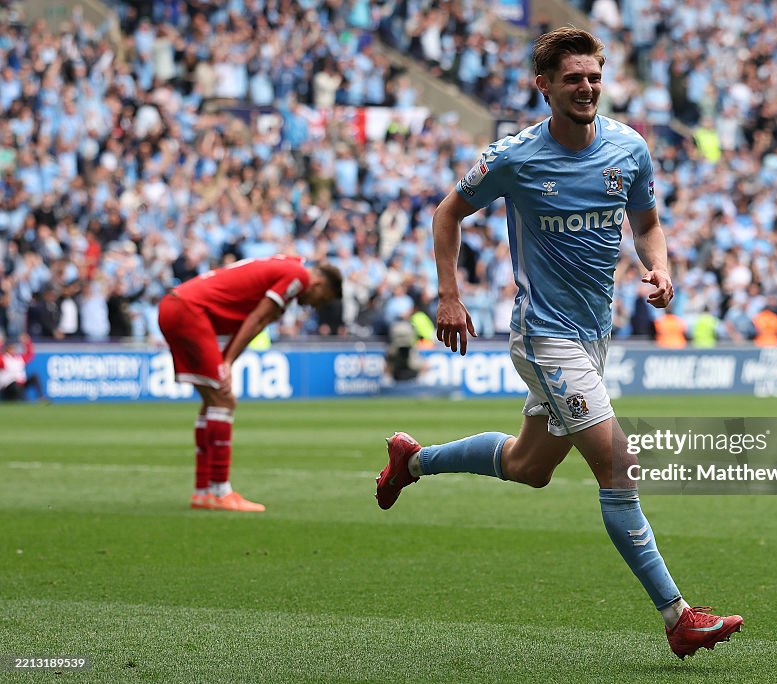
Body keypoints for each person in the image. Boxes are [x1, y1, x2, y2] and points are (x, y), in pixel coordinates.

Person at [375, 27, 742, 660]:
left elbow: (647, 220)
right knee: (618, 467)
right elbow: (445, 214)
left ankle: (411, 461)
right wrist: (448, 295)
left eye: (594, 77)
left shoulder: (629, 148)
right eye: (573, 78)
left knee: (529, 468)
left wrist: (658, 265)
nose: (587, 88)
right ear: (544, 85)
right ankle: (678, 617)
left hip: (593, 336)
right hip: (545, 335)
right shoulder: (513, 157)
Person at [158, 255, 342, 512]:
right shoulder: (298, 276)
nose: (312, 305)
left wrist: (227, 359)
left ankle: (203, 492)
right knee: (224, 400)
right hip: (190, 310)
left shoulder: (287, 266)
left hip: (174, 305)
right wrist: (228, 361)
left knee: (212, 400)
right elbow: (256, 319)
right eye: (319, 299)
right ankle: (221, 491)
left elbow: (257, 321)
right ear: (319, 283)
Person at [0, 334, 48, 402]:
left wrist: (27, 342)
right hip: (8, 387)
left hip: (21, 385)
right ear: (7, 349)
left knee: (34, 377)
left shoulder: (19, 358)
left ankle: (41, 397)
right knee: (15, 385)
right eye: (11, 348)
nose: (13, 350)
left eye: (14, 348)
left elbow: (30, 354)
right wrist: (0, 343)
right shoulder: (4, 359)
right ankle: (25, 401)